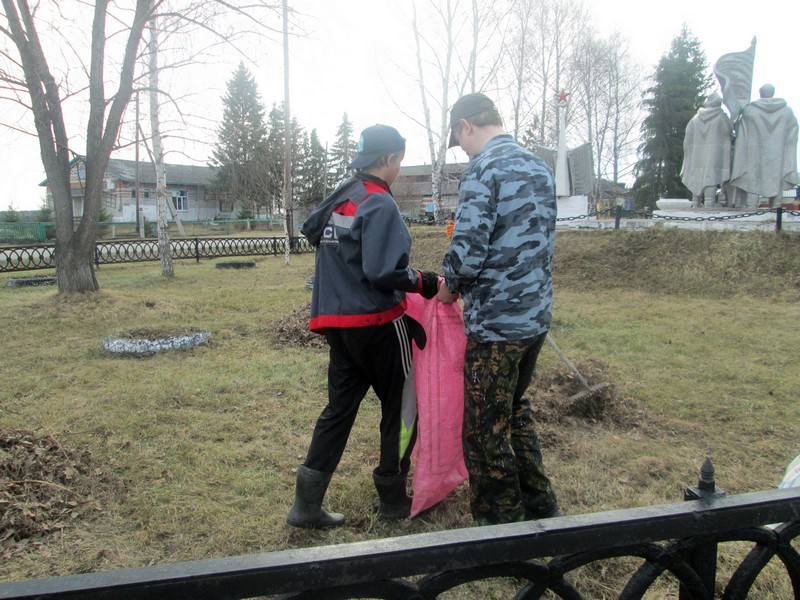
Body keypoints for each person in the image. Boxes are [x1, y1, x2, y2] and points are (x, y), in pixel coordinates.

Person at [287, 124, 440, 529]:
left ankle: (305, 506)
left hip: (339, 326)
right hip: (379, 325)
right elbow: (383, 271)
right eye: (400, 161)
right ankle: (393, 499)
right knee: (403, 409)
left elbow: (323, 241)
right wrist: (426, 282)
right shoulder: (379, 202)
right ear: (390, 159)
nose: (399, 169)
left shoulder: (342, 197)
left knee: (338, 411)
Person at [437, 93, 561, 526]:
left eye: (459, 141)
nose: (463, 150)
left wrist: (448, 288)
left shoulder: (483, 169)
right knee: (515, 412)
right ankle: (541, 506)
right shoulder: (539, 166)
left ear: (466, 126)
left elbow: (468, 251)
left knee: (485, 431)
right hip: (535, 318)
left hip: (496, 325)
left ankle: (501, 529)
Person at [730, 84, 799, 208]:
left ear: (760, 93)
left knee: (752, 174)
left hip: (754, 151)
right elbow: (793, 129)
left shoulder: (749, 110)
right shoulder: (787, 111)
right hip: (777, 151)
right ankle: (776, 204)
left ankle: (751, 204)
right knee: (776, 175)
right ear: (773, 92)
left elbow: (740, 130)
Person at [680, 92, 732, 208]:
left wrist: (689, 153)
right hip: (714, 152)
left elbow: (688, 139)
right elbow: (727, 132)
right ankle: (709, 201)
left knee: (696, 175)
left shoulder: (695, 119)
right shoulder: (721, 117)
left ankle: (695, 201)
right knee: (711, 174)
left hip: (697, 154)